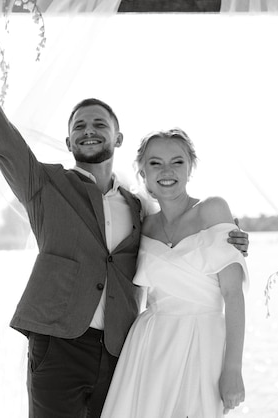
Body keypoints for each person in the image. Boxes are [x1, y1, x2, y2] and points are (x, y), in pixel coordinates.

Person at [0, 11, 249, 418]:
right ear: (68, 141)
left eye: (100, 123)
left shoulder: (139, 209)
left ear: (118, 137)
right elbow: (1, 139)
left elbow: (189, 242)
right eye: (79, 125)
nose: (89, 130)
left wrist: (233, 239)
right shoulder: (45, 186)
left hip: (123, 351)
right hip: (58, 345)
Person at [101, 128, 248, 418]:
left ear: (190, 167)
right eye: (155, 163)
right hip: (149, 345)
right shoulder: (143, 222)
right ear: (142, 171)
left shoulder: (213, 209)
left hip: (202, 341)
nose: (166, 170)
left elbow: (233, 295)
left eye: (177, 162)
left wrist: (233, 369)